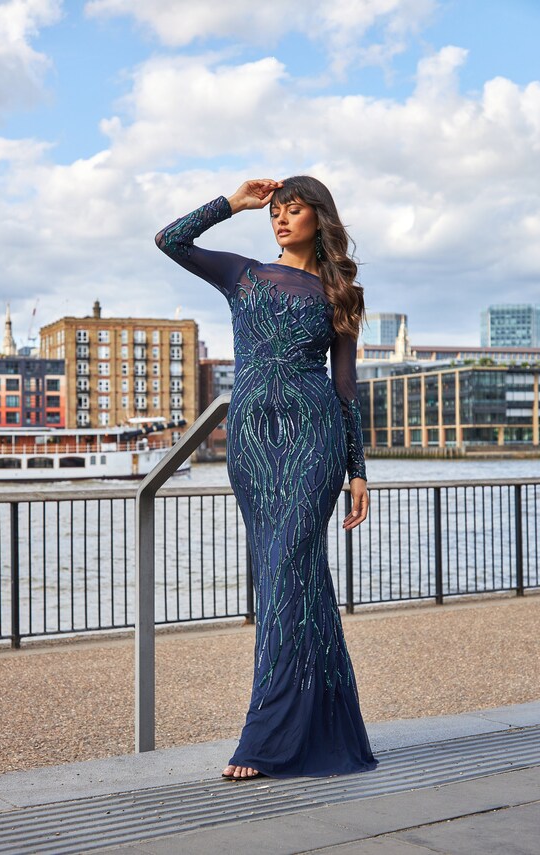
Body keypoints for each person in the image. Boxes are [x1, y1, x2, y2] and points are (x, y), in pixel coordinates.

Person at [155, 176, 378, 781]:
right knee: (296, 580)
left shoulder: (341, 293)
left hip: (314, 441)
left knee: (284, 571)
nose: (279, 219)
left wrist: (357, 472)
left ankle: (265, 738)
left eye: (293, 209)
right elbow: (170, 240)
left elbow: (345, 388)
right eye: (274, 211)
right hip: (253, 446)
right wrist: (233, 201)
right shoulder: (242, 273)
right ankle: (322, 725)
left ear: (318, 218)